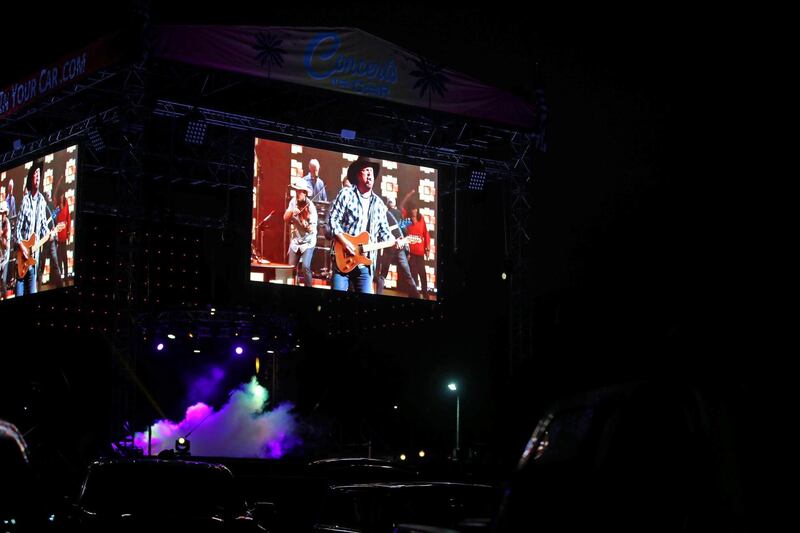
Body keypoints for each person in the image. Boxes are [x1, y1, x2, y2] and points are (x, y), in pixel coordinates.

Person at [328, 157, 401, 294]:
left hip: (365, 266)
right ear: (357, 175)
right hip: (343, 261)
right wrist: (345, 243)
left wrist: (395, 241)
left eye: (371, 171)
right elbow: (333, 220)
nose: (369, 174)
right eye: (365, 170)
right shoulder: (346, 194)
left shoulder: (379, 204)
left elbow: (384, 232)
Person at [14, 163, 48, 296]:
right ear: (31, 178)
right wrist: (22, 247)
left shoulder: (42, 201)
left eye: (39, 174)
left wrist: (51, 234)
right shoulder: (25, 200)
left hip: (34, 261)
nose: (38, 177)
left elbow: (44, 228)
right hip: (22, 259)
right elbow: (17, 231)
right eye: (35, 174)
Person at [375, 198, 420, 298]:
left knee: (383, 274)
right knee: (407, 273)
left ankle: (378, 294)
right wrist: (407, 247)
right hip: (398, 246)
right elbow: (402, 228)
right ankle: (416, 295)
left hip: (388, 246)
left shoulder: (384, 213)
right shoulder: (398, 213)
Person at [283, 176, 317, 288]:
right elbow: (285, 218)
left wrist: (304, 222)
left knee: (305, 266)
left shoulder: (310, 207)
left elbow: (311, 229)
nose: (297, 194)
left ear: (305, 193)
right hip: (296, 240)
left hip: (308, 242)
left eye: (299, 192)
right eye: (296, 191)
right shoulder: (293, 201)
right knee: (290, 267)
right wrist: (292, 211)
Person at [36, 190, 63, 290]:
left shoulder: (51, 206)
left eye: (49, 195)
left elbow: (55, 221)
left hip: (51, 240)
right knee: (41, 266)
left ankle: (60, 286)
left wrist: (55, 232)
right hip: (43, 241)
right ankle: (37, 289)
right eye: (47, 195)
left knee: (55, 264)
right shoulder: (41, 209)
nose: (48, 197)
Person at [405, 203, 431, 299]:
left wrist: (427, 248)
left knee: (422, 274)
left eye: (415, 209)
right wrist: (406, 251)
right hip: (411, 253)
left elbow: (426, 234)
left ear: (417, 210)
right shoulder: (407, 221)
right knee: (414, 274)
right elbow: (399, 229)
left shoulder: (421, 219)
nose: (414, 211)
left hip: (420, 252)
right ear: (410, 210)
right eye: (412, 209)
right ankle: (414, 294)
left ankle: (425, 293)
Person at [55, 190, 71, 283]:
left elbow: (68, 218)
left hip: (64, 236)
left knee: (64, 257)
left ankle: (66, 277)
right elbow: (53, 218)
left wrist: (68, 233)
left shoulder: (66, 205)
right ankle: (59, 278)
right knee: (59, 258)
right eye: (60, 195)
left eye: (63, 194)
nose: (62, 196)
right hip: (57, 237)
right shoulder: (57, 208)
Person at [0, 201, 10, 299]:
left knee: (3, 281)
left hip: (5, 258)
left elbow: (5, 245)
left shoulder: (7, 224)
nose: (2, 215)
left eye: (3, 213)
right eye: (0, 213)